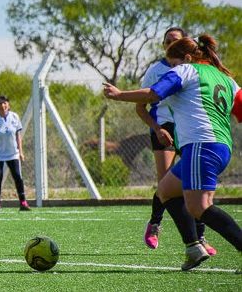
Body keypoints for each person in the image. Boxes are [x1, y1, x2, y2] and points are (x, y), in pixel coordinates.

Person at [103, 34, 242, 271]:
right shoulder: (228, 80)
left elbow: (152, 94)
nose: (172, 69)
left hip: (202, 145)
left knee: (200, 206)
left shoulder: (186, 71)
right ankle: (193, 247)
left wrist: (118, 95)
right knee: (166, 190)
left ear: (187, 58)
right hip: (217, 147)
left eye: (174, 64)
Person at [135, 27, 215, 254]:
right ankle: (155, 225)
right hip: (164, 128)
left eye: (176, 41)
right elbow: (141, 106)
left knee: (196, 183)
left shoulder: (196, 70)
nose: (171, 43)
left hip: (188, 128)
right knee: (165, 184)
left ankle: (200, 238)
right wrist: (157, 128)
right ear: (163, 45)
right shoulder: (156, 70)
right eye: (168, 41)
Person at [0, 95, 30, 212]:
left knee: (18, 177)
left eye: (5, 103)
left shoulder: (14, 117)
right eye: (0, 103)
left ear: (8, 105)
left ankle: (23, 202)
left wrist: (21, 152)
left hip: (13, 153)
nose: (3, 105)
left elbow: (18, 135)